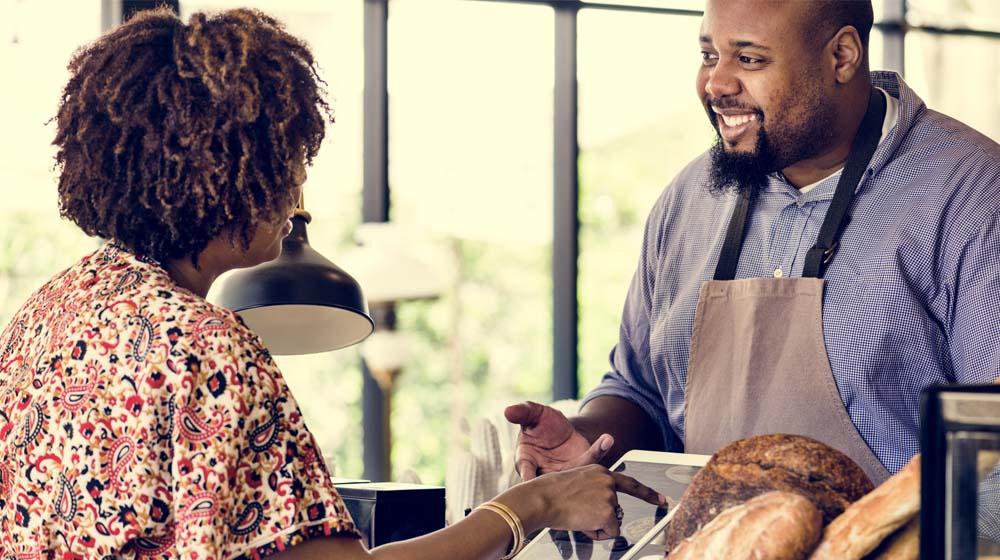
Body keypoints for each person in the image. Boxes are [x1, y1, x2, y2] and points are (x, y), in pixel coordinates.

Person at [0, 8, 666, 559]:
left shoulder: (46, 316)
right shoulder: (203, 343)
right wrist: (534, 504)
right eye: (289, 161)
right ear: (244, 176)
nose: (296, 191)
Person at [507, 0, 1000, 488]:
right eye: (708, 56)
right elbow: (639, 391)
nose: (716, 84)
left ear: (843, 56)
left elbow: (993, 460)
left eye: (749, 59)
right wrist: (588, 439)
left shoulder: (972, 195)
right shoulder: (688, 198)